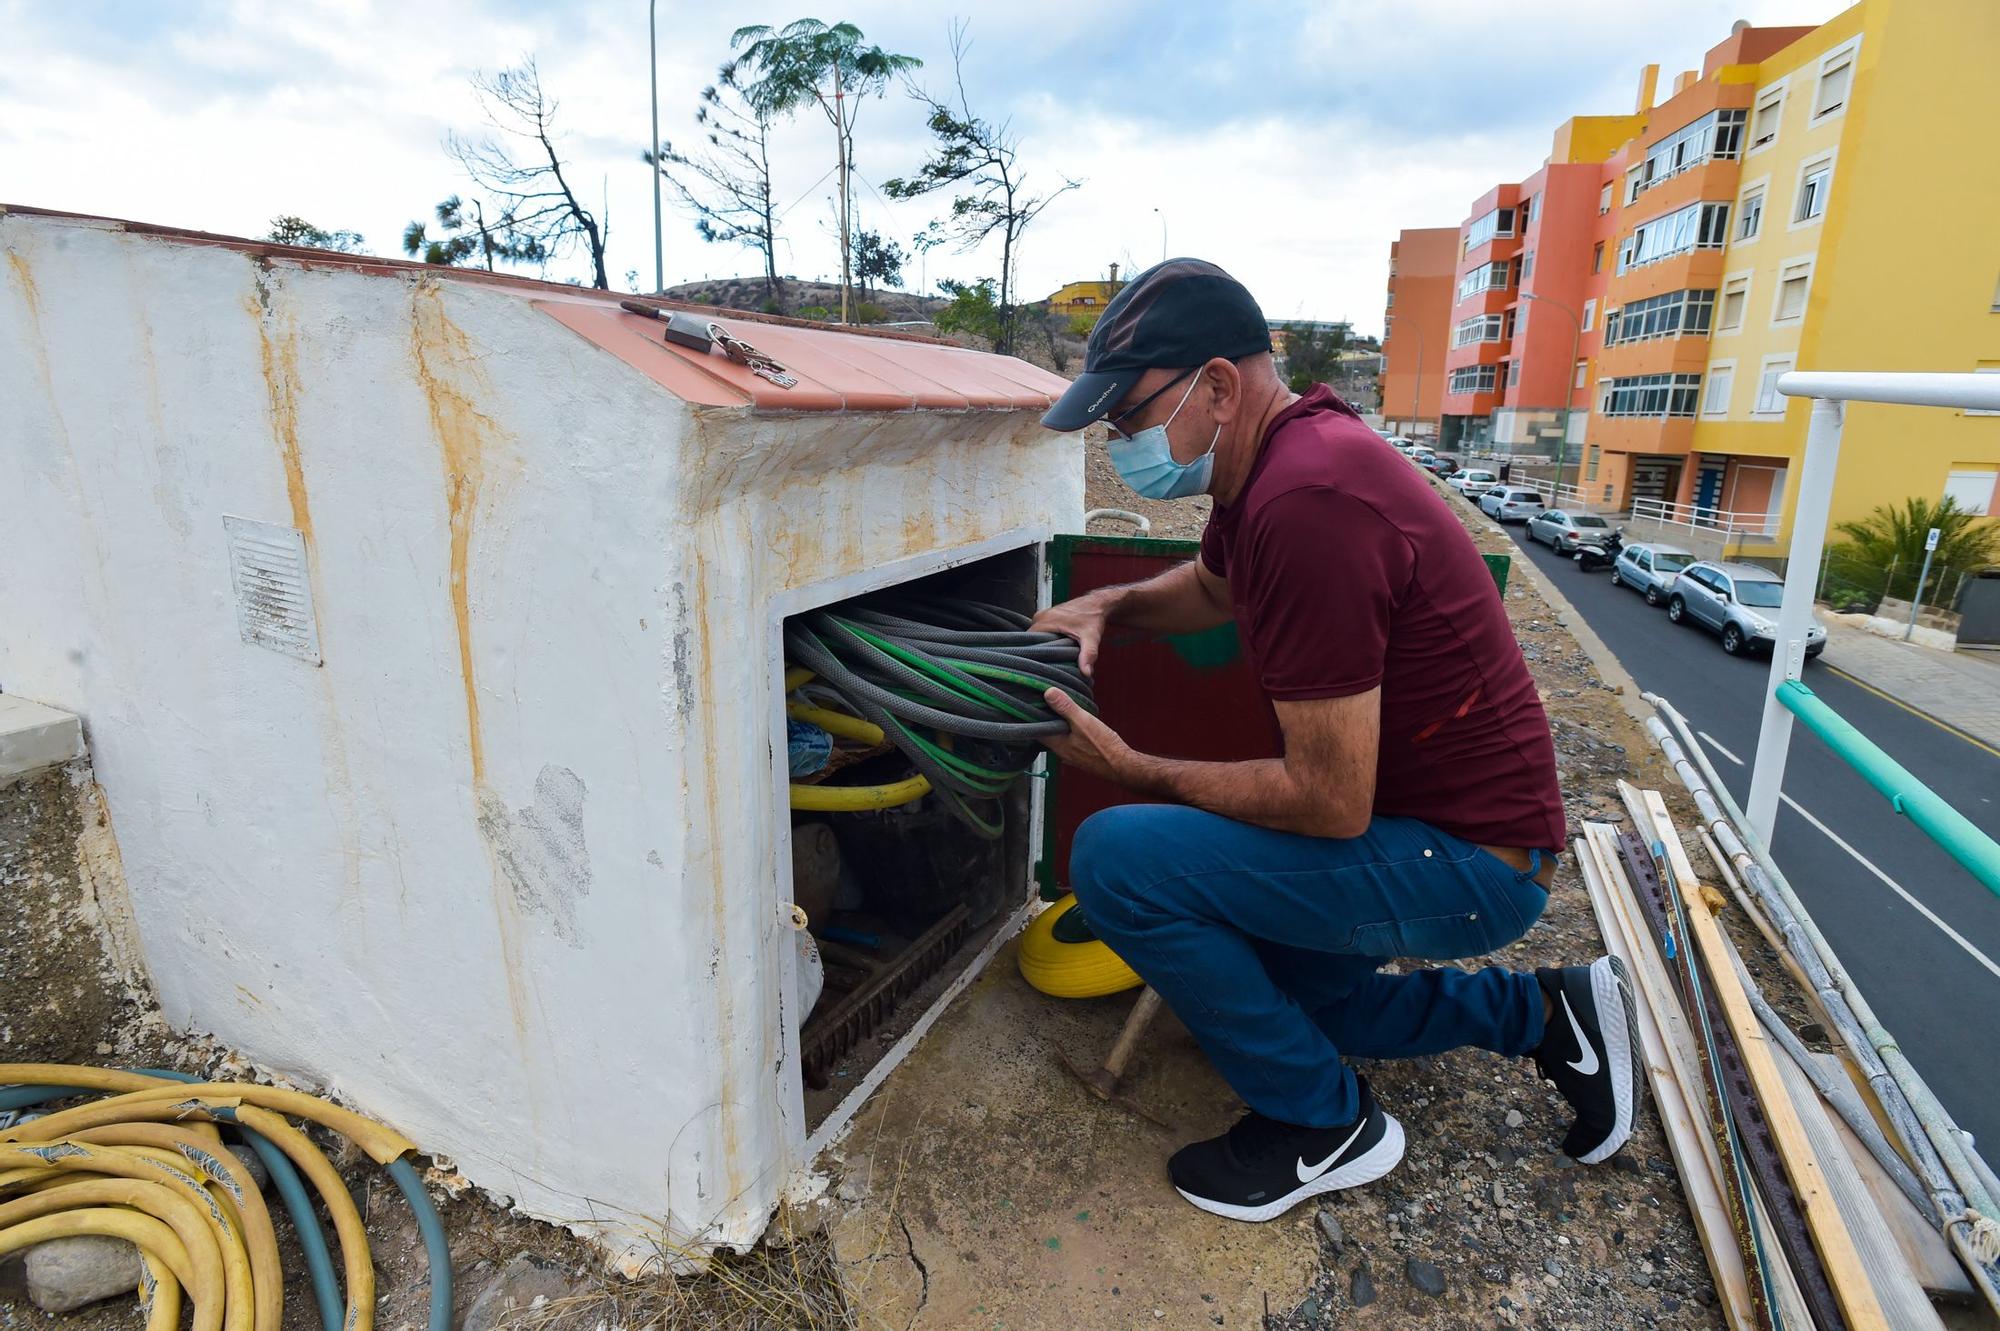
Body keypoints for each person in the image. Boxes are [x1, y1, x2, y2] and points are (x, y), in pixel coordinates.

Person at [1032, 259, 1641, 1223]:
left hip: (1473, 860)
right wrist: (1107, 604)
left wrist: (1130, 769)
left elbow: (1328, 799)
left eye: (1131, 417)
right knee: (1299, 1002)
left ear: (1219, 386)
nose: (1123, 442)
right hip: (1448, 831)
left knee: (1115, 855)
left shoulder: (1307, 504)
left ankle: (1325, 1125)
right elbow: (1212, 588)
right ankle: (1547, 1011)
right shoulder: (1282, 462)